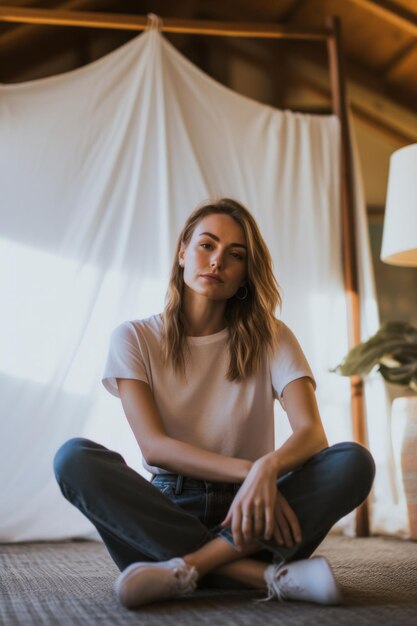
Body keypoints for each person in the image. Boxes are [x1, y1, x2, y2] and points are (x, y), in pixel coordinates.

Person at [53, 197, 375, 610]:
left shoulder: (273, 336)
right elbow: (154, 447)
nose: (217, 260)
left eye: (235, 254)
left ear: (245, 276)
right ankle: (261, 575)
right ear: (182, 251)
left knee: (353, 461)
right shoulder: (134, 338)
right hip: (168, 510)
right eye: (207, 245)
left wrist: (266, 472)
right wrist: (253, 469)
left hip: (256, 511)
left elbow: (312, 433)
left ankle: (183, 569)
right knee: (73, 458)